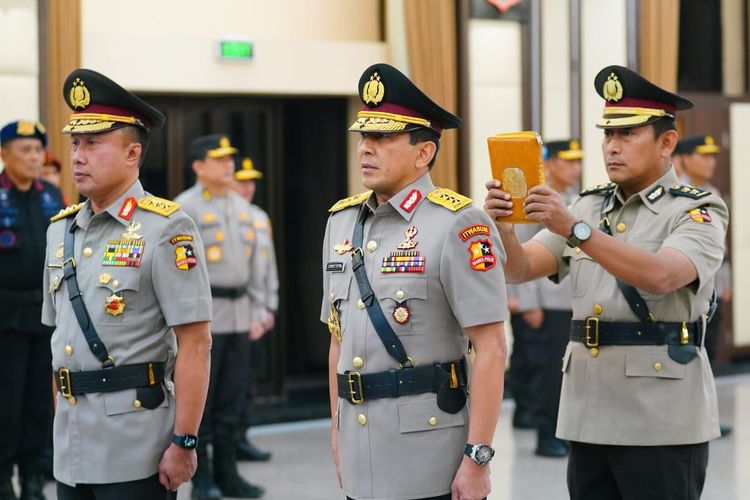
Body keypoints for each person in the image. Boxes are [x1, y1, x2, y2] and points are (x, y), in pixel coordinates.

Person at [485, 65, 728, 499]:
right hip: (587, 410)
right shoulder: (589, 204)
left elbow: (662, 275)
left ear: (667, 142)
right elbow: (520, 269)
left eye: (628, 135)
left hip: (659, 417)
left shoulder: (696, 209)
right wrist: (503, 226)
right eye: (608, 135)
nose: (612, 147)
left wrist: (575, 229)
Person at [322, 63, 508, 500]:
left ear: (424, 153)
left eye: (382, 138)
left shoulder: (458, 223)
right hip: (359, 446)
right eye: (363, 137)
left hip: (429, 453)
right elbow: (337, 337)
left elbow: (491, 348)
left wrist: (478, 456)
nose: (366, 149)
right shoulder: (342, 221)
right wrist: (336, 430)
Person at [42, 68, 213, 500]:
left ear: (132, 153)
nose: (78, 156)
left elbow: (195, 343)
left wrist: (185, 442)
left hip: (136, 446)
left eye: (93, 144)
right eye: (75, 143)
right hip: (71, 445)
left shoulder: (167, 227)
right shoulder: (60, 231)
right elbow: (58, 341)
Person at [176, 136, 265, 499]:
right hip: (205, 317)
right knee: (205, 402)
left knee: (230, 398)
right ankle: (203, 478)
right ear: (198, 166)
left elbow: (256, 263)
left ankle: (229, 473)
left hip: (239, 313)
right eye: (219, 159)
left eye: (230, 158)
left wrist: (261, 308)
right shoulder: (185, 207)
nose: (228, 165)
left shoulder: (242, 207)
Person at [0, 120, 63, 500]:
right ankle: (3, 480)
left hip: (45, 318)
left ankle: (34, 480)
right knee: (6, 403)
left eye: (38, 150)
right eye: (25, 150)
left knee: (40, 402)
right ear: (4, 154)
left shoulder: (52, 196)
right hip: (4, 319)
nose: (34, 157)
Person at [508, 139, 582, 458]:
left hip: (568, 300)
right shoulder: (536, 198)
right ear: (550, 164)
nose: (575, 168)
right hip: (546, 300)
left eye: (578, 161)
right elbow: (520, 252)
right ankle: (545, 433)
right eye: (568, 161)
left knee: (563, 371)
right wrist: (528, 303)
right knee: (546, 372)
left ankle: (560, 431)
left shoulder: (574, 199)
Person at [674, 134, 733, 437]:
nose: (710, 162)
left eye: (712, 157)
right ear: (683, 158)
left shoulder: (712, 192)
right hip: (685, 289)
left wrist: (726, 282)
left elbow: (721, 248)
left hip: (710, 287)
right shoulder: (678, 194)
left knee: (708, 353)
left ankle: (707, 417)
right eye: (703, 155)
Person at [232, 157, 277, 462]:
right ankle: (226, 440)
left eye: (252, 181)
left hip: (258, 312)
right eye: (242, 180)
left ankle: (241, 435)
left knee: (248, 381)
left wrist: (269, 307)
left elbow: (268, 265)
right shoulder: (223, 217)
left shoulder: (260, 217)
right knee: (229, 383)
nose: (248, 187)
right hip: (233, 314)